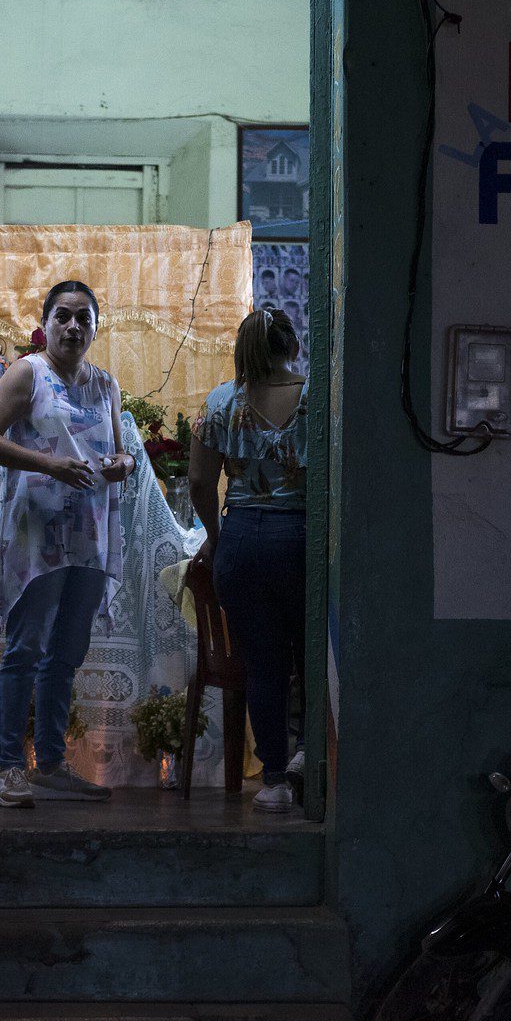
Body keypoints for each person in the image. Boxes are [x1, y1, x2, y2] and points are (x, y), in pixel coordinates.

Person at [0, 280, 134, 808]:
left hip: (87, 537)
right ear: (47, 323)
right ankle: (11, 771)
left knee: (66, 654)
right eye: (62, 316)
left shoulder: (105, 384)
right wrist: (50, 465)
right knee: (24, 651)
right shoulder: (28, 373)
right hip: (36, 535)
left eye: (83, 318)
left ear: (94, 328)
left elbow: (123, 452)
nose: (73, 326)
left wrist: (121, 464)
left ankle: (53, 765)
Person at [188, 307, 308, 814]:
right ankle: (311, 756)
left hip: (241, 542)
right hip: (300, 536)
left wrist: (217, 538)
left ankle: (275, 781)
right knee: (309, 656)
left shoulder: (220, 402)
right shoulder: (315, 396)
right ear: (291, 345)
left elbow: (198, 482)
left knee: (263, 663)